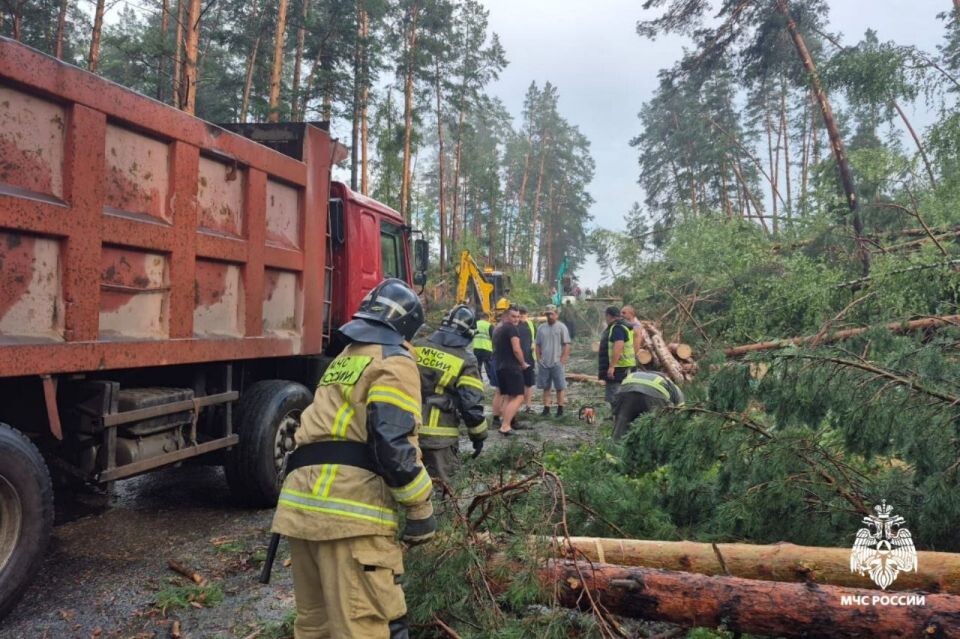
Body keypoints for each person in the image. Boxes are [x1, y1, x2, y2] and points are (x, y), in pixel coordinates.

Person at [271, 278, 434, 639]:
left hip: (301, 509)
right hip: (352, 517)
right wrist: (421, 509)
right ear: (408, 328)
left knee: (315, 626)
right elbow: (392, 443)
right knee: (363, 628)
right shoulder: (395, 360)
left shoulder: (345, 359)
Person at [415, 305, 487, 488]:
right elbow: (471, 403)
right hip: (439, 440)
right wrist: (478, 436)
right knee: (441, 491)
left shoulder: (416, 346)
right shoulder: (466, 359)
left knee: (409, 489)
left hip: (407, 431)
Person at [612, 370, 685, 440]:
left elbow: (616, 400)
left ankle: (615, 448)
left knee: (621, 427)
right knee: (656, 426)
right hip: (653, 395)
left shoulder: (635, 374)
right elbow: (681, 410)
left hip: (626, 391)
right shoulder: (673, 386)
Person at [492, 305, 529, 435]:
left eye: (518, 316)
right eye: (513, 316)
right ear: (507, 315)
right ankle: (505, 426)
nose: (516, 319)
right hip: (511, 367)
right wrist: (523, 363)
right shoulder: (512, 329)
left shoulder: (498, 328)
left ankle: (506, 422)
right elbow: (516, 349)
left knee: (509, 397)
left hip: (500, 367)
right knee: (519, 397)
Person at [535, 304, 571, 416]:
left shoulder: (561, 327)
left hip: (557, 362)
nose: (549, 316)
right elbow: (537, 345)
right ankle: (546, 408)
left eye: (551, 314)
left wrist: (563, 360)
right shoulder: (541, 328)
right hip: (544, 362)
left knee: (560, 386)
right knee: (546, 386)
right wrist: (538, 359)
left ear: (556, 314)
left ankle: (560, 408)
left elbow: (566, 344)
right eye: (547, 314)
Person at [601, 305, 636, 409]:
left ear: (608, 316)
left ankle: (617, 417)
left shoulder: (617, 328)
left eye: (605, 316)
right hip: (627, 365)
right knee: (625, 393)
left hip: (620, 366)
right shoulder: (625, 326)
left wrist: (612, 366)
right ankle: (622, 415)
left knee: (615, 395)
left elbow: (619, 345)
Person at [517, 306, 537, 413]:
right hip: (517, 360)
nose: (521, 317)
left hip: (529, 358)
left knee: (529, 383)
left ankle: (528, 406)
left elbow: (534, 338)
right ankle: (517, 407)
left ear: (526, 314)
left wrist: (533, 344)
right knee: (517, 384)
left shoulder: (530, 324)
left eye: (523, 315)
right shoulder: (514, 325)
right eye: (520, 315)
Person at [472, 310, 496, 386]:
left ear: (480, 318)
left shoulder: (475, 324)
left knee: (478, 366)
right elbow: (494, 338)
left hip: (476, 348)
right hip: (487, 349)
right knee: (489, 366)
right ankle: (492, 382)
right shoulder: (489, 325)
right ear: (487, 318)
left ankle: (479, 381)